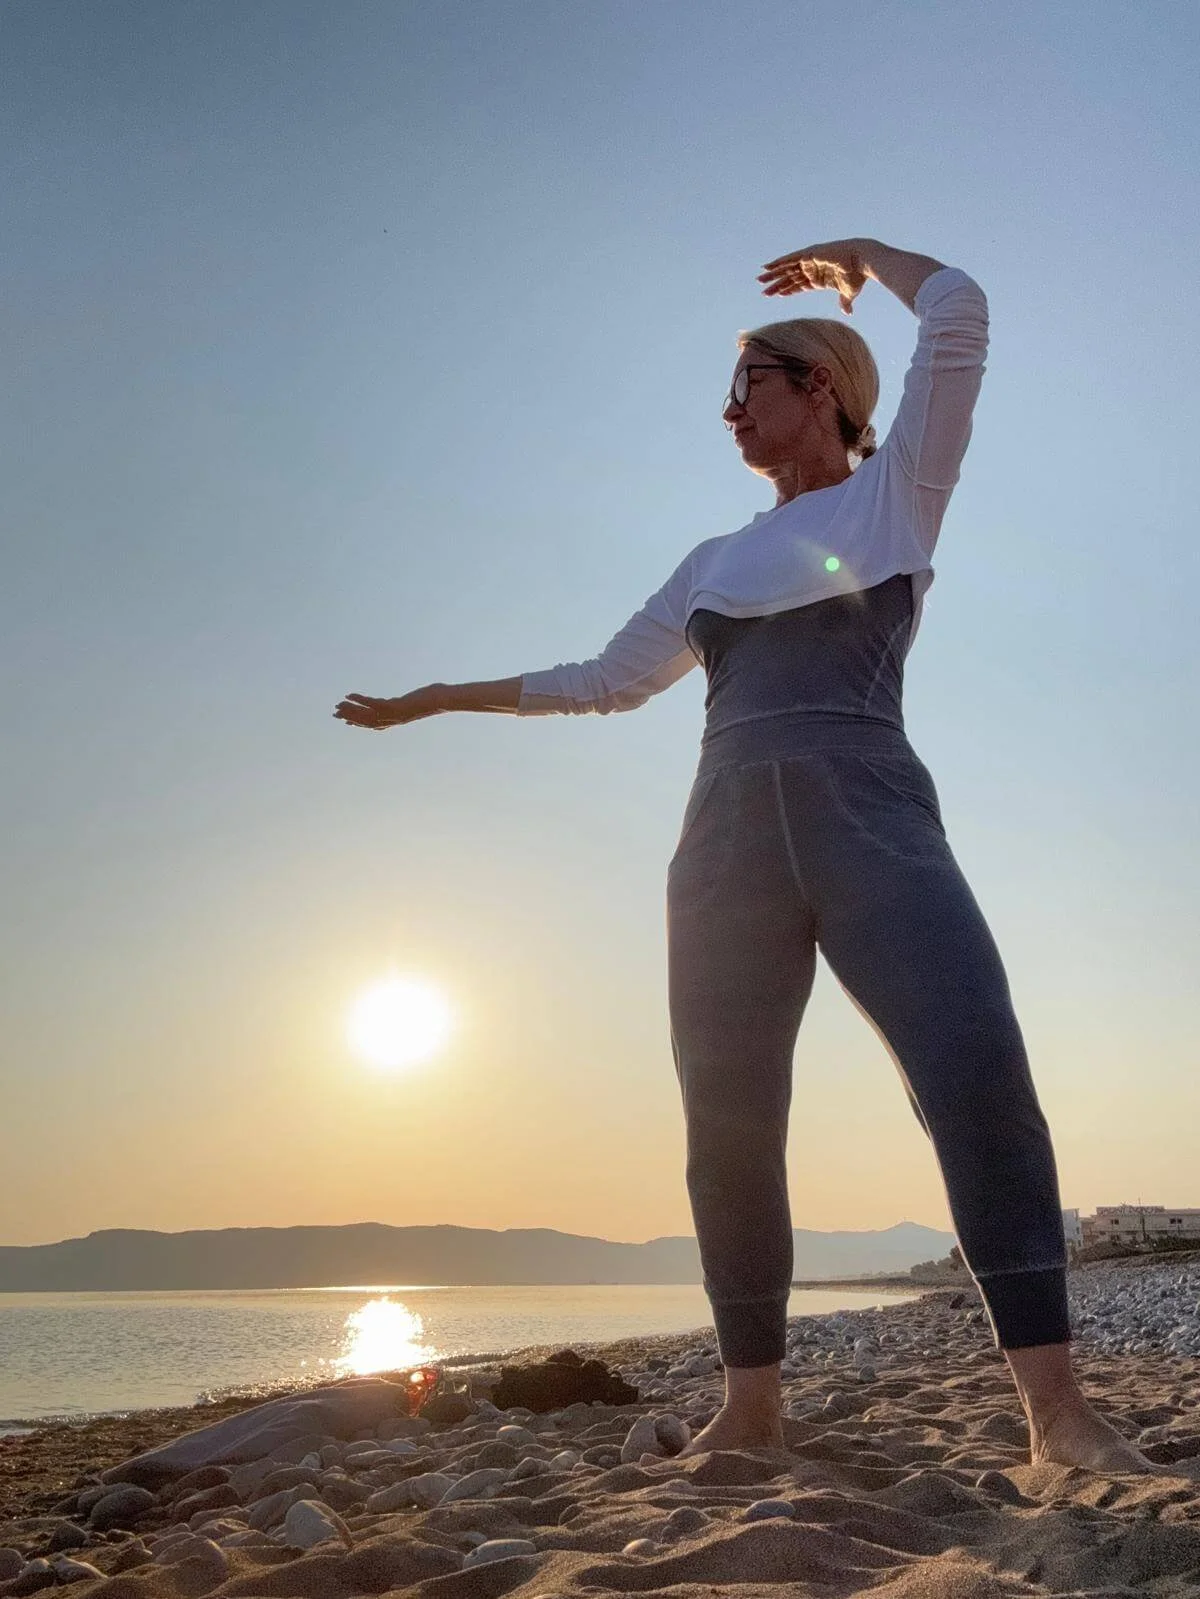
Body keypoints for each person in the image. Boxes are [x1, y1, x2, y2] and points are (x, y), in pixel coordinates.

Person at [335, 237, 1154, 1473]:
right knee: (728, 1128)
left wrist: (859, 257)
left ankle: (1059, 1418)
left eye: (747, 389)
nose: (728, 415)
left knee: (979, 1080)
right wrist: (436, 697)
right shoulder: (709, 564)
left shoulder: (897, 496)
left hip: (873, 813)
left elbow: (962, 310)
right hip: (720, 850)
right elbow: (604, 682)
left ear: (819, 386)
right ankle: (752, 1413)